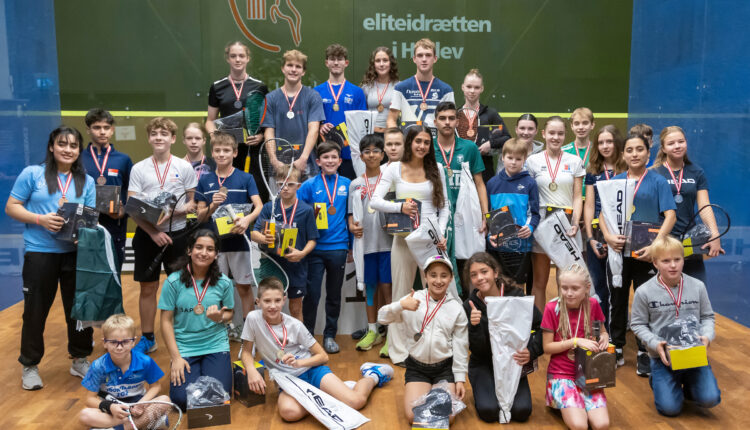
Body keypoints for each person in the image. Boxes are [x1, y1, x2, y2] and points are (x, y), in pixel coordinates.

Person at [6, 126, 95, 390]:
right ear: (51, 147)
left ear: (79, 150)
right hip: (40, 254)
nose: (68, 150)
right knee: (35, 312)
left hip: (75, 254)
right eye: (62, 144)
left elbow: (89, 217)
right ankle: (30, 366)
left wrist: (83, 233)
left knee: (79, 311)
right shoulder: (32, 174)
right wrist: (40, 219)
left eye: (73, 146)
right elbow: (11, 206)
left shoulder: (86, 181)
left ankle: (80, 359)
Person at [240, 277, 394, 422]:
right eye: (267, 301)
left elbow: (323, 356)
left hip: (311, 371)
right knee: (289, 413)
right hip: (288, 380)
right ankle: (330, 392)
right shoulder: (253, 319)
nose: (272, 306)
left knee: (356, 401)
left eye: (277, 300)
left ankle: (373, 374)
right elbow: (246, 352)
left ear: (284, 300)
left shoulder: (295, 325)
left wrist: (300, 363)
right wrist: (251, 370)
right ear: (258, 302)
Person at [370, 125, 450, 366]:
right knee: (402, 293)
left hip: (431, 240)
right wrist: (400, 207)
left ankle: (437, 347)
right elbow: (375, 201)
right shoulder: (394, 168)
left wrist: (442, 232)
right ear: (409, 143)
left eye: (426, 142)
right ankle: (400, 350)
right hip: (404, 239)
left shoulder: (436, 169)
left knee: (438, 293)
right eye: (418, 141)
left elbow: (444, 206)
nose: (422, 146)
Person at [602, 133, 676, 376]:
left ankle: (646, 350)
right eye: (629, 150)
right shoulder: (616, 181)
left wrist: (656, 246)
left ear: (648, 152)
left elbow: (670, 216)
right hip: (618, 252)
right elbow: (604, 215)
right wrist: (608, 237)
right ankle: (617, 346)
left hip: (646, 252)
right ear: (623, 154)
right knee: (618, 299)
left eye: (639, 149)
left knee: (647, 301)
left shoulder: (658, 181)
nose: (634, 154)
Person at [630, 235, 721, 417]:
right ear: (655, 263)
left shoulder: (697, 286)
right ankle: (658, 378)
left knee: (710, 399)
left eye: (677, 259)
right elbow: (638, 324)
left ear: (683, 260)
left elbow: (707, 317)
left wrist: (707, 336)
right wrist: (655, 343)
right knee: (670, 409)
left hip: (693, 355)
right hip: (663, 358)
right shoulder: (644, 291)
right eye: (666, 261)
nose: (673, 265)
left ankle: (689, 382)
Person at [128, 117, 198, 354]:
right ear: (149, 138)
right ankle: (148, 337)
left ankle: (182, 332)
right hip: (147, 236)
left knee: (179, 287)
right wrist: (153, 231)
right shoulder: (139, 168)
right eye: (154, 133)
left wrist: (172, 214)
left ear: (173, 139)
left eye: (164, 133)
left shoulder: (184, 167)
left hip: (178, 236)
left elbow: (192, 204)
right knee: (148, 288)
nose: (159, 137)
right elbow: (132, 206)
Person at [378, 255, 468, 424]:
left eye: (444, 275)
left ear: (450, 278)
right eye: (433, 275)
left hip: (444, 369)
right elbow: (382, 318)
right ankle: (429, 393)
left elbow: (461, 347)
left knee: (446, 417)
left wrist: (460, 378)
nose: (438, 280)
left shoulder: (457, 308)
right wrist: (401, 306)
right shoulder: (413, 300)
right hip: (417, 368)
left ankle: (437, 392)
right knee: (414, 416)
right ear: (425, 277)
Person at [158, 230, 234, 411]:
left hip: (215, 344)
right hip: (185, 347)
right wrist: (176, 358)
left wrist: (220, 317)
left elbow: (229, 312)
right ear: (189, 250)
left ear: (216, 255)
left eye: (210, 249)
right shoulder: (173, 282)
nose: (203, 253)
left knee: (220, 396)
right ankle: (196, 374)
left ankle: (207, 372)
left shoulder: (224, 282)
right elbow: (166, 321)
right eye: (199, 247)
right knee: (181, 402)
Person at [195, 131, 262, 336]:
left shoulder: (245, 178)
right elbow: (200, 217)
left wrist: (246, 220)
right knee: (218, 289)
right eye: (217, 150)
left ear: (234, 153)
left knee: (243, 287)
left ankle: (248, 330)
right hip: (215, 246)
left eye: (226, 150)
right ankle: (222, 328)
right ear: (212, 154)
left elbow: (258, 206)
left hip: (240, 242)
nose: (221, 154)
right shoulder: (204, 180)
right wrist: (213, 205)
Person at [463, 252, 542, 423]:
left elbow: (541, 326)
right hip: (484, 363)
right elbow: (477, 350)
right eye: (474, 275)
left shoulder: (516, 296)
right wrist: (475, 327)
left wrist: (532, 351)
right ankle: (485, 391)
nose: (480, 278)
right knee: (489, 411)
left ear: (495, 273)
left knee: (522, 411)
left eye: (484, 272)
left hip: (512, 362)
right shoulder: (470, 305)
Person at [296, 141, 351, 353]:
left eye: (334, 157)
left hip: (338, 248)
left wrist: (351, 247)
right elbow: (299, 214)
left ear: (340, 161)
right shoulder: (309, 185)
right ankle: (309, 337)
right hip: (315, 248)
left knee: (334, 295)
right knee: (312, 295)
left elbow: (351, 217)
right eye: (325, 158)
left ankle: (329, 335)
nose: (330, 161)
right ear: (318, 162)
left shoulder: (347, 183)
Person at [526, 116, 585, 311]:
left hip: (567, 225)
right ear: (543, 134)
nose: (555, 137)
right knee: (540, 281)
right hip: (542, 226)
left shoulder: (575, 161)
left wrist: (575, 222)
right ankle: (539, 329)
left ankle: (565, 326)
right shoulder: (532, 161)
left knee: (566, 282)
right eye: (551, 133)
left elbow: (577, 196)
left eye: (560, 133)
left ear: (565, 135)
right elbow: (529, 195)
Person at [541, 264, 610, 430]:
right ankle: (563, 400)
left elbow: (603, 331)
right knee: (579, 426)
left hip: (588, 372)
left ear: (587, 288)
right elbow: (547, 347)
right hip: (561, 374)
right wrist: (575, 341)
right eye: (564, 288)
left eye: (574, 288)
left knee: (602, 425)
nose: (569, 293)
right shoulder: (552, 308)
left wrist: (604, 338)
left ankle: (576, 403)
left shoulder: (593, 304)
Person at [652, 126, 724, 282]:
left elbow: (704, 206)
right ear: (663, 148)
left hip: (689, 240)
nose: (677, 146)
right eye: (671, 143)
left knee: (697, 287)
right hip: (663, 239)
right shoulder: (654, 173)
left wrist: (714, 234)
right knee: (665, 293)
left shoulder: (697, 172)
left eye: (681, 141)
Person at [433, 101, 488, 294]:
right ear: (435, 122)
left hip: (466, 216)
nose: (447, 122)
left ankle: (472, 308)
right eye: (442, 118)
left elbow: (479, 183)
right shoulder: (428, 147)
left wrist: (485, 215)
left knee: (470, 262)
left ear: (457, 121)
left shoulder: (469, 148)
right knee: (440, 264)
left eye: (451, 118)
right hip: (438, 215)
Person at [78, 314, 170, 429]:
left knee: (165, 400)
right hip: (111, 409)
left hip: (137, 406)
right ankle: (141, 424)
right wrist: (110, 407)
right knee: (84, 415)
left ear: (133, 342)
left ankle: (117, 427)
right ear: (104, 343)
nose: (119, 347)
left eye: (125, 342)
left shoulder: (145, 361)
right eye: (113, 342)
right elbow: (89, 399)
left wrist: (142, 404)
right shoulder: (98, 366)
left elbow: (156, 387)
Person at [251, 166, 318, 321]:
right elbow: (254, 233)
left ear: (298, 186)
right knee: (270, 308)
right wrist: (263, 238)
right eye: (281, 184)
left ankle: (299, 344)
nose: (285, 188)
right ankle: (270, 341)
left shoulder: (306, 210)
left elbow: (312, 240)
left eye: (290, 184)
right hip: (272, 264)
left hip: (296, 265)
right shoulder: (269, 207)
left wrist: (301, 254)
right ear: (275, 184)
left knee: (295, 308)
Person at [348, 134, 392, 352]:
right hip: (366, 246)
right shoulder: (355, 184)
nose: (372, 154)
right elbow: (350, 215)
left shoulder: (390, 179)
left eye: (376, 151)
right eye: (367, 151)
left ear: (383, 155)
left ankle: (391, 334)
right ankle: (372, 330)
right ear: (361, 155)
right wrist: (351, 226)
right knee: (371, 287)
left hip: (388, 244)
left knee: (388, 288)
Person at [205, 40, 268, 192]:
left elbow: (267, 120)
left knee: (254, 192)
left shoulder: (259, 86)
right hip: (226, 151)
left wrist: (261, 137)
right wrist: (214, 136)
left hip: (252, 150)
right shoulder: (217, 87)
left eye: (241, 56)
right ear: (228, 59)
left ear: (248, 58)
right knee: (229, 191)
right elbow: (209, 121)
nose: (237, 59)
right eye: (233, 56)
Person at [583, 125, 627, 331]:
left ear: (617, 143)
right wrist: (590, 238)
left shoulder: (627, 168)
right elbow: (590, 205)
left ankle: (616, 333)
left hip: (622, 233)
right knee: (599, 284)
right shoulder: (593, 171)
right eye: (601, 142)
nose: (605, 146)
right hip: (598, 233)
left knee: (618, 286)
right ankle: (601, 331)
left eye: (609, 141)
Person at [80, 108, 133, 270]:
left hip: (115, 225)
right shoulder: (78, 158)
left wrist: (125, 211)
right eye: (96, 127)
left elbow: (131, 191)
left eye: (106, 127)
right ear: (88, 130)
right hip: (85, 224)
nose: (102, 132)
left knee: (113, 272)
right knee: (89, 274)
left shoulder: (123, 160)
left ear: (112, 130)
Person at [485, 138, 540, 287]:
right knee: (496, 285)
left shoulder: (530, 183)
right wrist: (490, 235)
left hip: (521, 245)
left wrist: (529, 227)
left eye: (518, 159)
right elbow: (488, 214)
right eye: (510, 158)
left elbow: (535, 214)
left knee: (517, 287)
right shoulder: (492, 183)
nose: (513, 162)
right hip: (497, 246)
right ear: (502, 157)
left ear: (524, 160)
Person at [262, 49, 325, 175]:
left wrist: (303, 158)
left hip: (307, 165)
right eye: (289, 65)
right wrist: (274, 161)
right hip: (279, 166)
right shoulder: (270, 98)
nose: (293, 70)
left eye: (298, 66)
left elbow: (314, 130)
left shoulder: (313, 96)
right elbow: (269, 132)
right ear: (283, 68)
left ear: (303, 71)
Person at [314, 44, 367, 179]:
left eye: (340, 59)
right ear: (327, 63)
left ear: (346, 63)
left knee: (348, 192)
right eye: (332, 59)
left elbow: (362, 124)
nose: (336, 62)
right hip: (326, 154)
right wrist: (321, 126)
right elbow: (312, 122)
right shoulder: (317, 92)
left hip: (350, 153)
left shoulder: (357, 92)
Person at [387, 38, 454, 129]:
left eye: (428, 55)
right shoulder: (400, 88)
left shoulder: (446, 90)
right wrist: (397, 139)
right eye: (420, 55)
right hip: (408, 141)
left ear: (435, 59)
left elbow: (450, 121)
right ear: (414, 59)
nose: (424, 59)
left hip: (435, 142)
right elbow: (391, 120)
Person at [460, 69, 511, 182]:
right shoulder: (456, 114)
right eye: (469, 86)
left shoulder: (490, 114)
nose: (472, 91)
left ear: (482, 89)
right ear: (462, 87)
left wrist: (490, 144)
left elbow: (507, 138)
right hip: (460, 169)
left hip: (484, 170)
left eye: (476, 87)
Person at [361, 46, 400, 134]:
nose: (381, 64)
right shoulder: (366, 87)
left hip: (391, 134)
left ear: (391, 63)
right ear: (373, 64)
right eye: (378, 61)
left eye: (385, 60)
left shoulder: (399, 87)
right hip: (370, 134)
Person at [563, 108, 596, 201]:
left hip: (592, 202)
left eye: (585, 123)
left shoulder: (598, 151)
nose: (581, 127)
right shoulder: (563, 151)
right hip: (570, 202)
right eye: (577, 123)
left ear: (592, 125)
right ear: (572, 126)